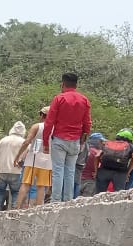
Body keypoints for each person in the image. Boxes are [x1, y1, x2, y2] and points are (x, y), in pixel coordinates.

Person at [43, 73, 92, 203]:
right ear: (76, 85)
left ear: (63, 84)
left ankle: (55, 201)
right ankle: (68, 201)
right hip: (75, 141)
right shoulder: (84, 100)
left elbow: (49, 122)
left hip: (59, 139)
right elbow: (87, 123)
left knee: (58, 171)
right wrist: (84, 138)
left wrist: (45, 142)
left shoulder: (59, 99)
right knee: (70, 172)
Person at [14, 107, 53, 209]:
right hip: (47, 160)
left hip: (33, 159)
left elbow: (27, 142)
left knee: (25, 183)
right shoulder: (55, 128)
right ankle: (39, 208)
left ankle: (17, 207)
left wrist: (18, 156)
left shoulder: (37, 126)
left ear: (42, 115)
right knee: (41, 186)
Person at [0, 121, 26, 211]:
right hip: (16, 172)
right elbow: (27, 156)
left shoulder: (3, 140)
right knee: (15, 192)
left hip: (2, 171)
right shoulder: (24, 142)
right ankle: (14, 210)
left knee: (0, 191)